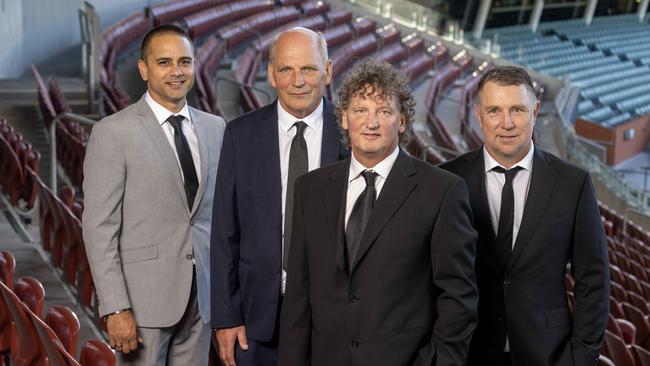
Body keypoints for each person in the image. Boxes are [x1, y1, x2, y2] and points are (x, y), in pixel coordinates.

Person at [278, 59, 478, 366]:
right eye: (360, 110)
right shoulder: (310, 189)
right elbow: (298, 296)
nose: (371, 123)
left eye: (383, 111)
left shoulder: (442, 191)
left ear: (402, 120)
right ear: (344, 118)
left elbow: (458, 296)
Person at [440, 65, 609, 366]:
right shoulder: (446, 180)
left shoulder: (573, 183)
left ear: (536, 111)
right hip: (466, 353)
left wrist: (579, 358)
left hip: (548, 354)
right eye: (494, 111)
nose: (506, 123)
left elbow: (593, 281)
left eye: (517, 109)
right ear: (478, 115)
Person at [82, 24, 225, 365]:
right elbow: (98, 228)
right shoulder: (113, 133)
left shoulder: (215, 127)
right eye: (164, 62)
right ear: (144, 69)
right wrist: (116, 306)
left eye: (185, 61)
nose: (177, 71)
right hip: (142, 302)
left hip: (201, 299)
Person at [210, 27, 348, 366]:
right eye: (286, 69)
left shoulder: (351, 134)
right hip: (259, 317)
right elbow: (225, 233)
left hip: (336, 316)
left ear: (328, 71)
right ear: (272, 75)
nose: (297, 80)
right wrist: (226, 316)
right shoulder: (241, 135)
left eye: (309, 69)